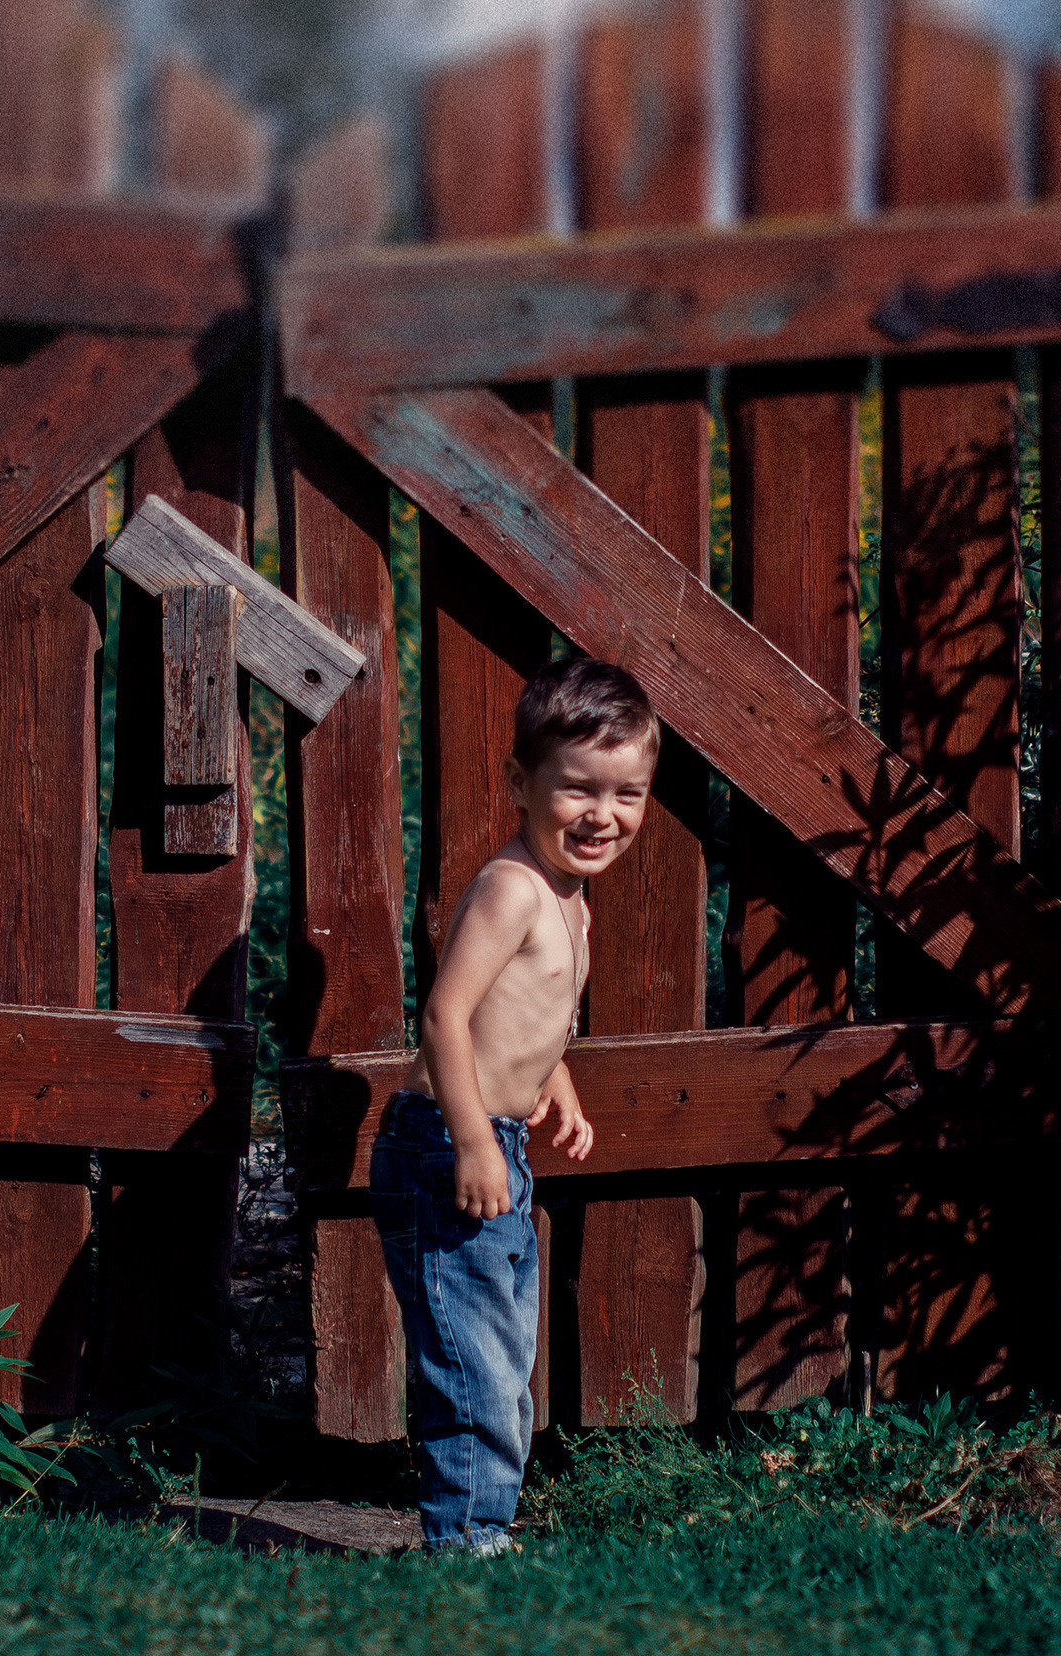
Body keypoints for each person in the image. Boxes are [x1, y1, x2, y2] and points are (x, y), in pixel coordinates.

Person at [371, 655, 658, 1555]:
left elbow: (531, 1009)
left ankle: (480, 1525)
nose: (602, 816)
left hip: (495, 1137)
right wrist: (472, 1143)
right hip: (446, 1146)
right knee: (475, 1358)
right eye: (578, 790)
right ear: (519, 784)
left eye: (628, 795)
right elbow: (445, 1016)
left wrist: (552, 1081)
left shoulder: (572, 895)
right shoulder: (513, 889)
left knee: (499, 1346)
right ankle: (467, 1544)